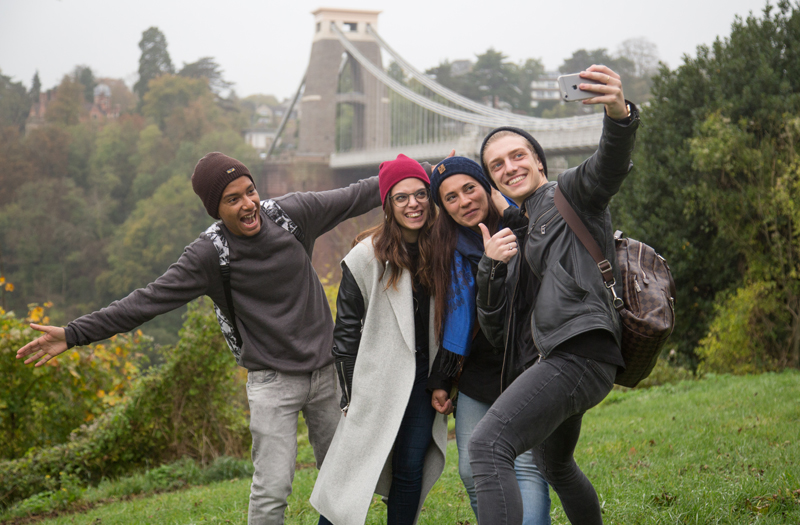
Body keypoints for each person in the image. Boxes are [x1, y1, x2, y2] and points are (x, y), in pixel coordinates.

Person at [15, 152, 381, 525]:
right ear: (216, 209)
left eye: (250, 191)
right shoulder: (209, 254)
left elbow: (360, 193)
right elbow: (146, 301)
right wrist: (74, 333)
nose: (248, 204)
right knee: (271, 492)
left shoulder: (292, 214)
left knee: (343, 480)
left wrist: (432, 174)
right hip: (272, 383)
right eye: (232, 199)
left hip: (326, 373)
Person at [469, 65, 640, 525]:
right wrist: (491, 267)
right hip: (567, 357)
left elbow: (608, 164)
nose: (510, 167)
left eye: (517, 155)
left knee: (487, 448)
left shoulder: (571, 195)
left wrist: (618, 113)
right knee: (555, 465)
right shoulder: (519, 235)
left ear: (538, 160)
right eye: (497, 165)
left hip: (578, 350)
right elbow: (498, 328)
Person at [310, 154, 448, 525]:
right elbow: (346, 333)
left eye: (420, 194)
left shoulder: (442, 249)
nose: (413, 204)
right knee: (350, 475)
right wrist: (350, 394)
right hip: (375, 382)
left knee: (409, 469)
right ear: (387, 204)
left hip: (422, 381)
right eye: (401, 197)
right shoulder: (364, 258)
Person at [425, 156, 551, 525]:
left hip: (527, 366)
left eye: (470, 188)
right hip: (478, 373)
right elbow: (456, 319)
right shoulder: (447, 248)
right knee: (471, 470)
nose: (463, 201)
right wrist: (444, 379)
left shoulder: (529, 224)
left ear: (487, 188)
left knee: (525, 465)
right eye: (450, 198)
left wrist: (505, 208)